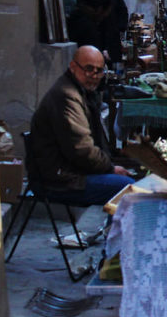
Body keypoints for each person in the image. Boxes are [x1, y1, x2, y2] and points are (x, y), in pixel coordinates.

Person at [29, 45, 133, 204]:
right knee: (128, 189)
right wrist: (110, 168)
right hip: (59, 180)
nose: (94, 75)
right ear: (73, 67)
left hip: (70, 172)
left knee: (131, 180)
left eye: (99, 70)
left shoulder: (82, 92)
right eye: (88, 69)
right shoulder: (67, 97)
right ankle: (115, 229)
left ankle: (114, 228)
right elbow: (82, 150)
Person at [83, 0, 128, 64]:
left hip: (111, 30)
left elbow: (122, 10)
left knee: (113, 59)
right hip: (94, 33)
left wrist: (121, 26)